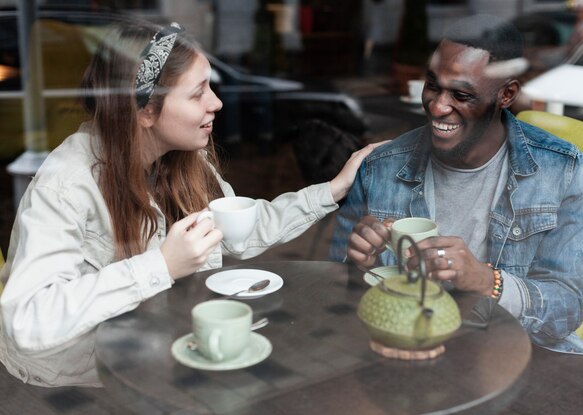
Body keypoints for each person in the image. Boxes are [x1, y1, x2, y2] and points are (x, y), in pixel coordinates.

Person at [0, 21, 379, 387]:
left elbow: (239, 229)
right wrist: (161, 266)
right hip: (69, 387)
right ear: (145, 111)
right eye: (198, 93)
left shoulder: (181, 159)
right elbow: (29, 319)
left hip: (150, 359)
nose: (216, 103)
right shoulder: (66, 183)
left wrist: (333, 188)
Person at [329, 15, 583, 356]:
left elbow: (567, 308)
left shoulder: (560, 168)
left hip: (522, 349)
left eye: (462, 94)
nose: (438, 106)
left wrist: (486, 281)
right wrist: (360, 265)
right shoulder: (381, 167)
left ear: (507, 94)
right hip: (409, 341)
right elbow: (335, 293)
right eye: (433, 85)